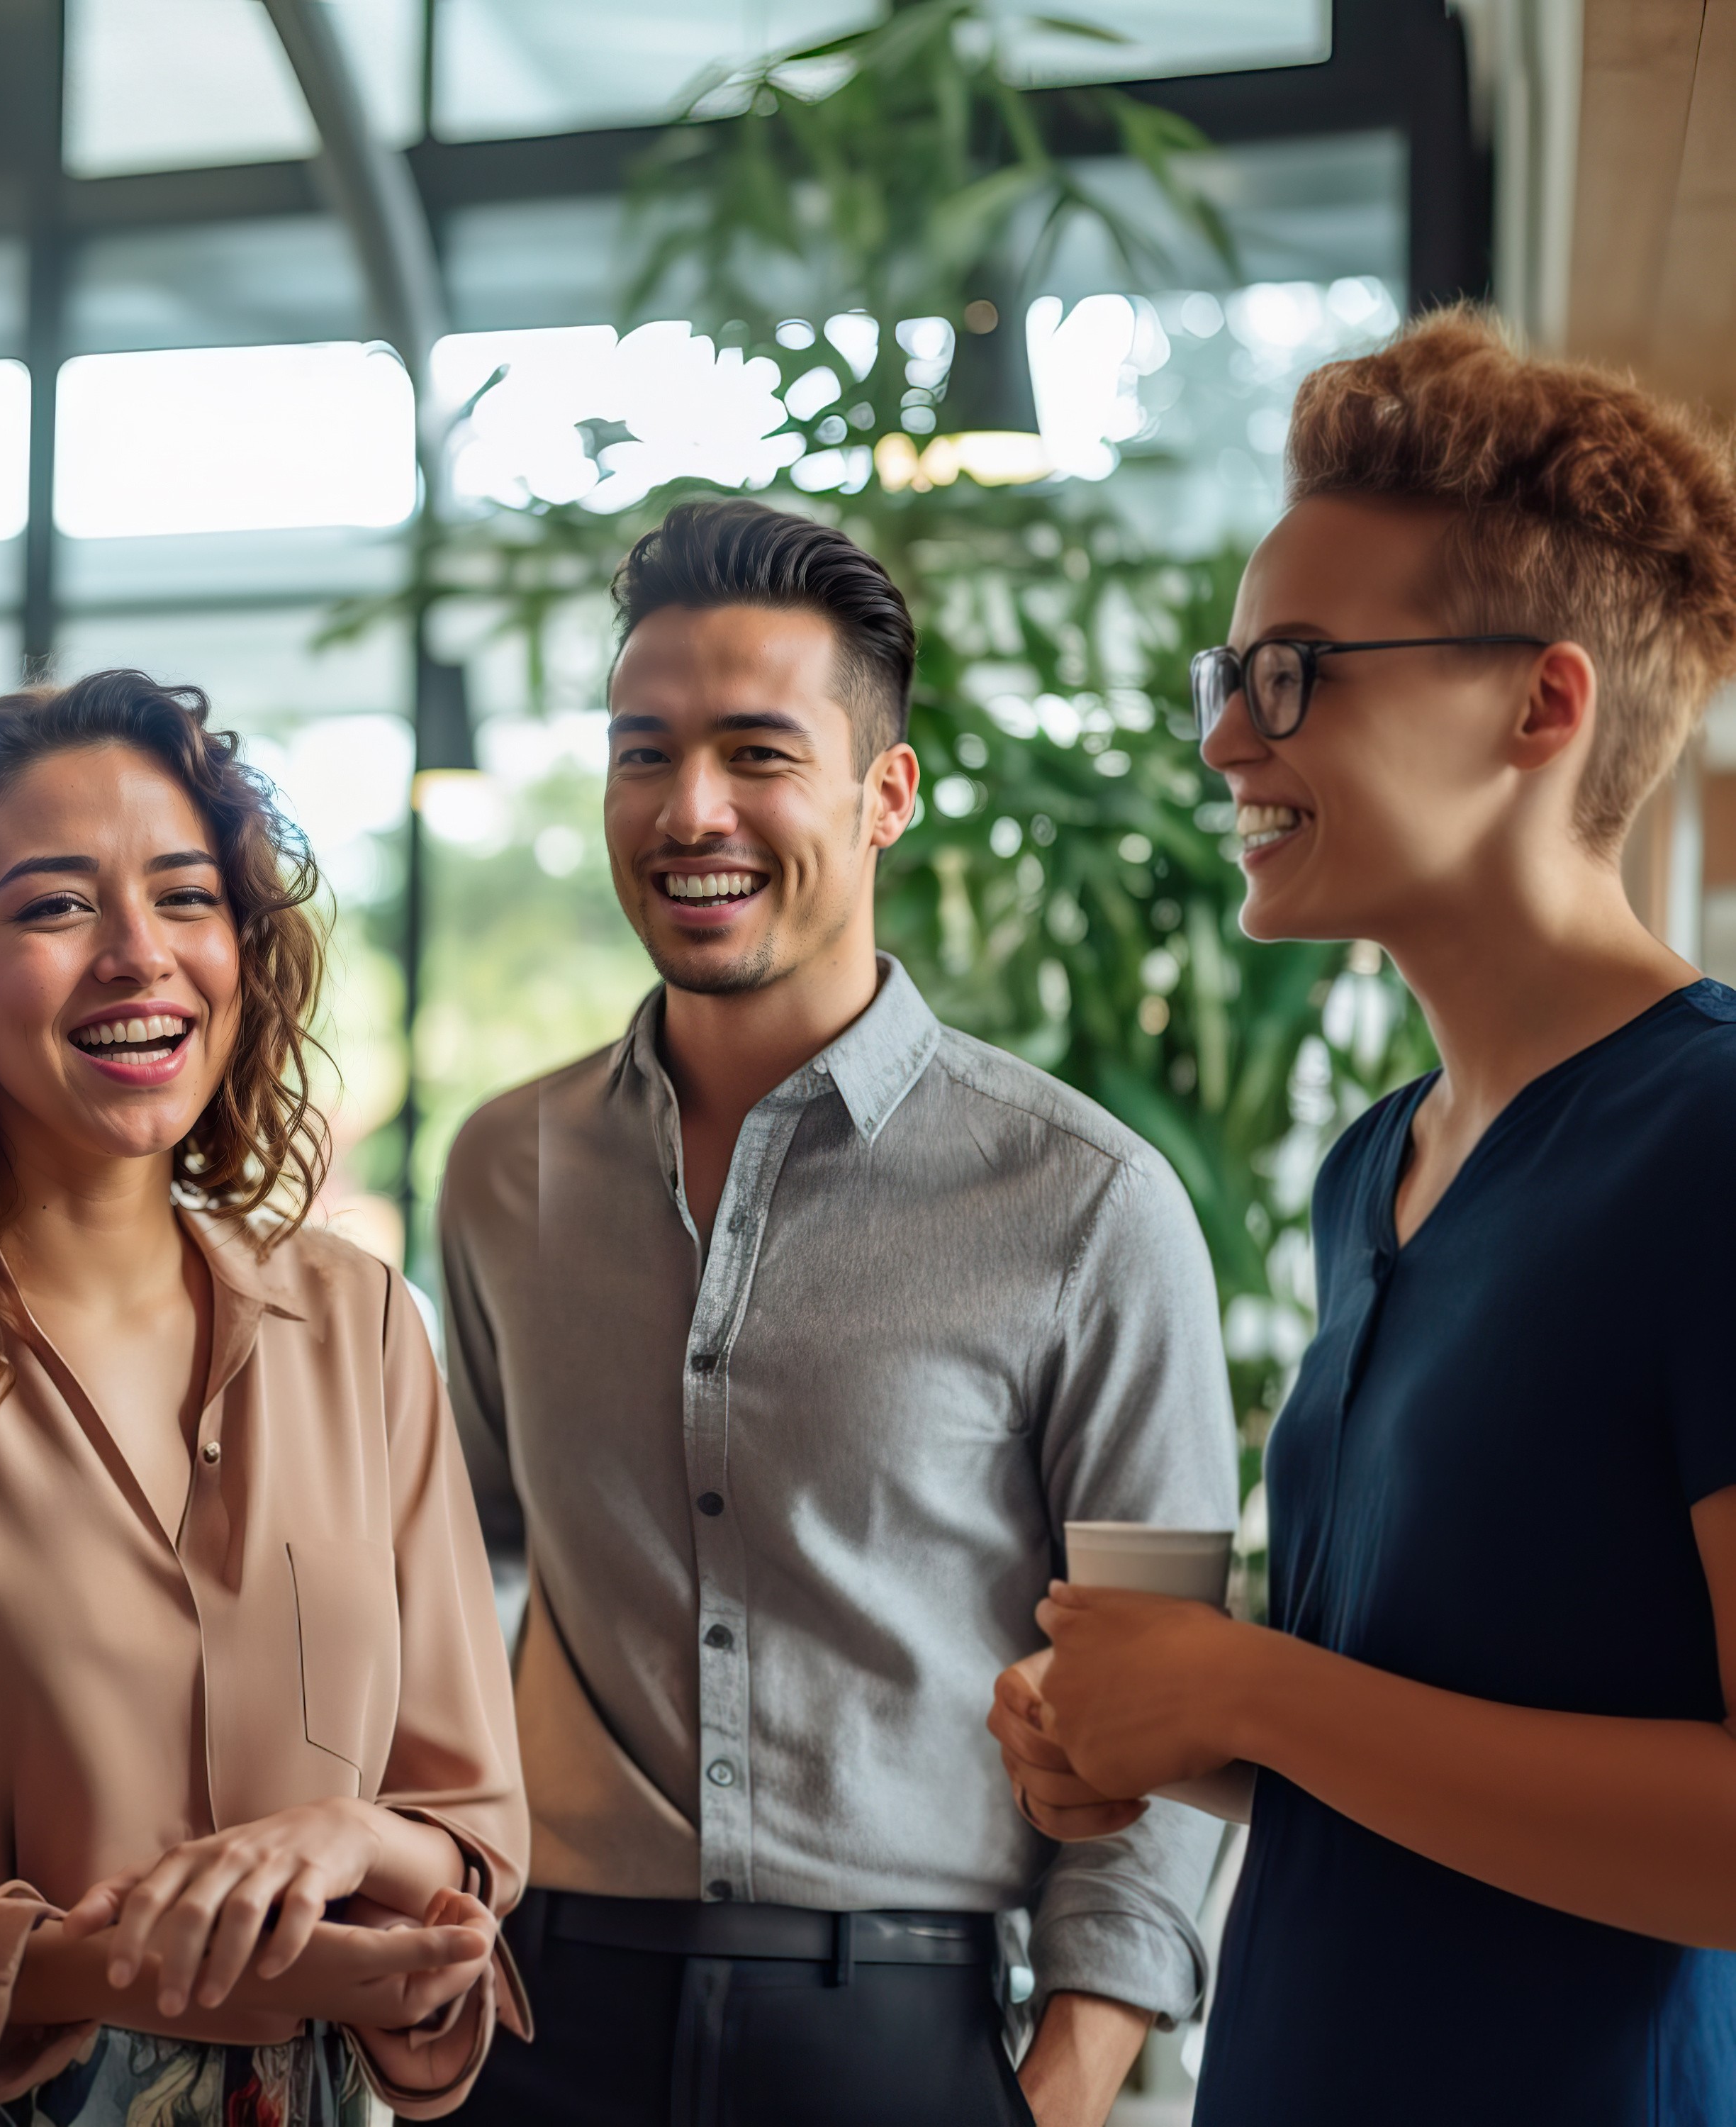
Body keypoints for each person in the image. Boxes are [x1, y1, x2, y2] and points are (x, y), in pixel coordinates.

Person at [990, 311, 1736, 2121]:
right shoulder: (1373, 1167)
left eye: (1301, 671)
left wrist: (1249, 1690)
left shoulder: (1713, 1132)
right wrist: (1179, 1731)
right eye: (1229, 675)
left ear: (1541, 706)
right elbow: (1419, 1753)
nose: (1230, 736)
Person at [437, 498, 1236, 2127]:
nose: (688, 809)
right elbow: (467, 1564)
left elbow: (1173, 1685)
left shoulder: (1084, 1202)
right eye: (642, 751)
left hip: (906, 2019)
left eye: (756, 752)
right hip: (539, 2007)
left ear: (886, 797)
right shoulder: (503, 1171)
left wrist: (1064, 2085)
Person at [0, 672, 530, 2127]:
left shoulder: (363, 1331)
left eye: (185, 897)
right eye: (54, 907)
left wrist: (352, 1854)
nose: (141, 958)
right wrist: (99, 1969)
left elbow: (467, 1829)